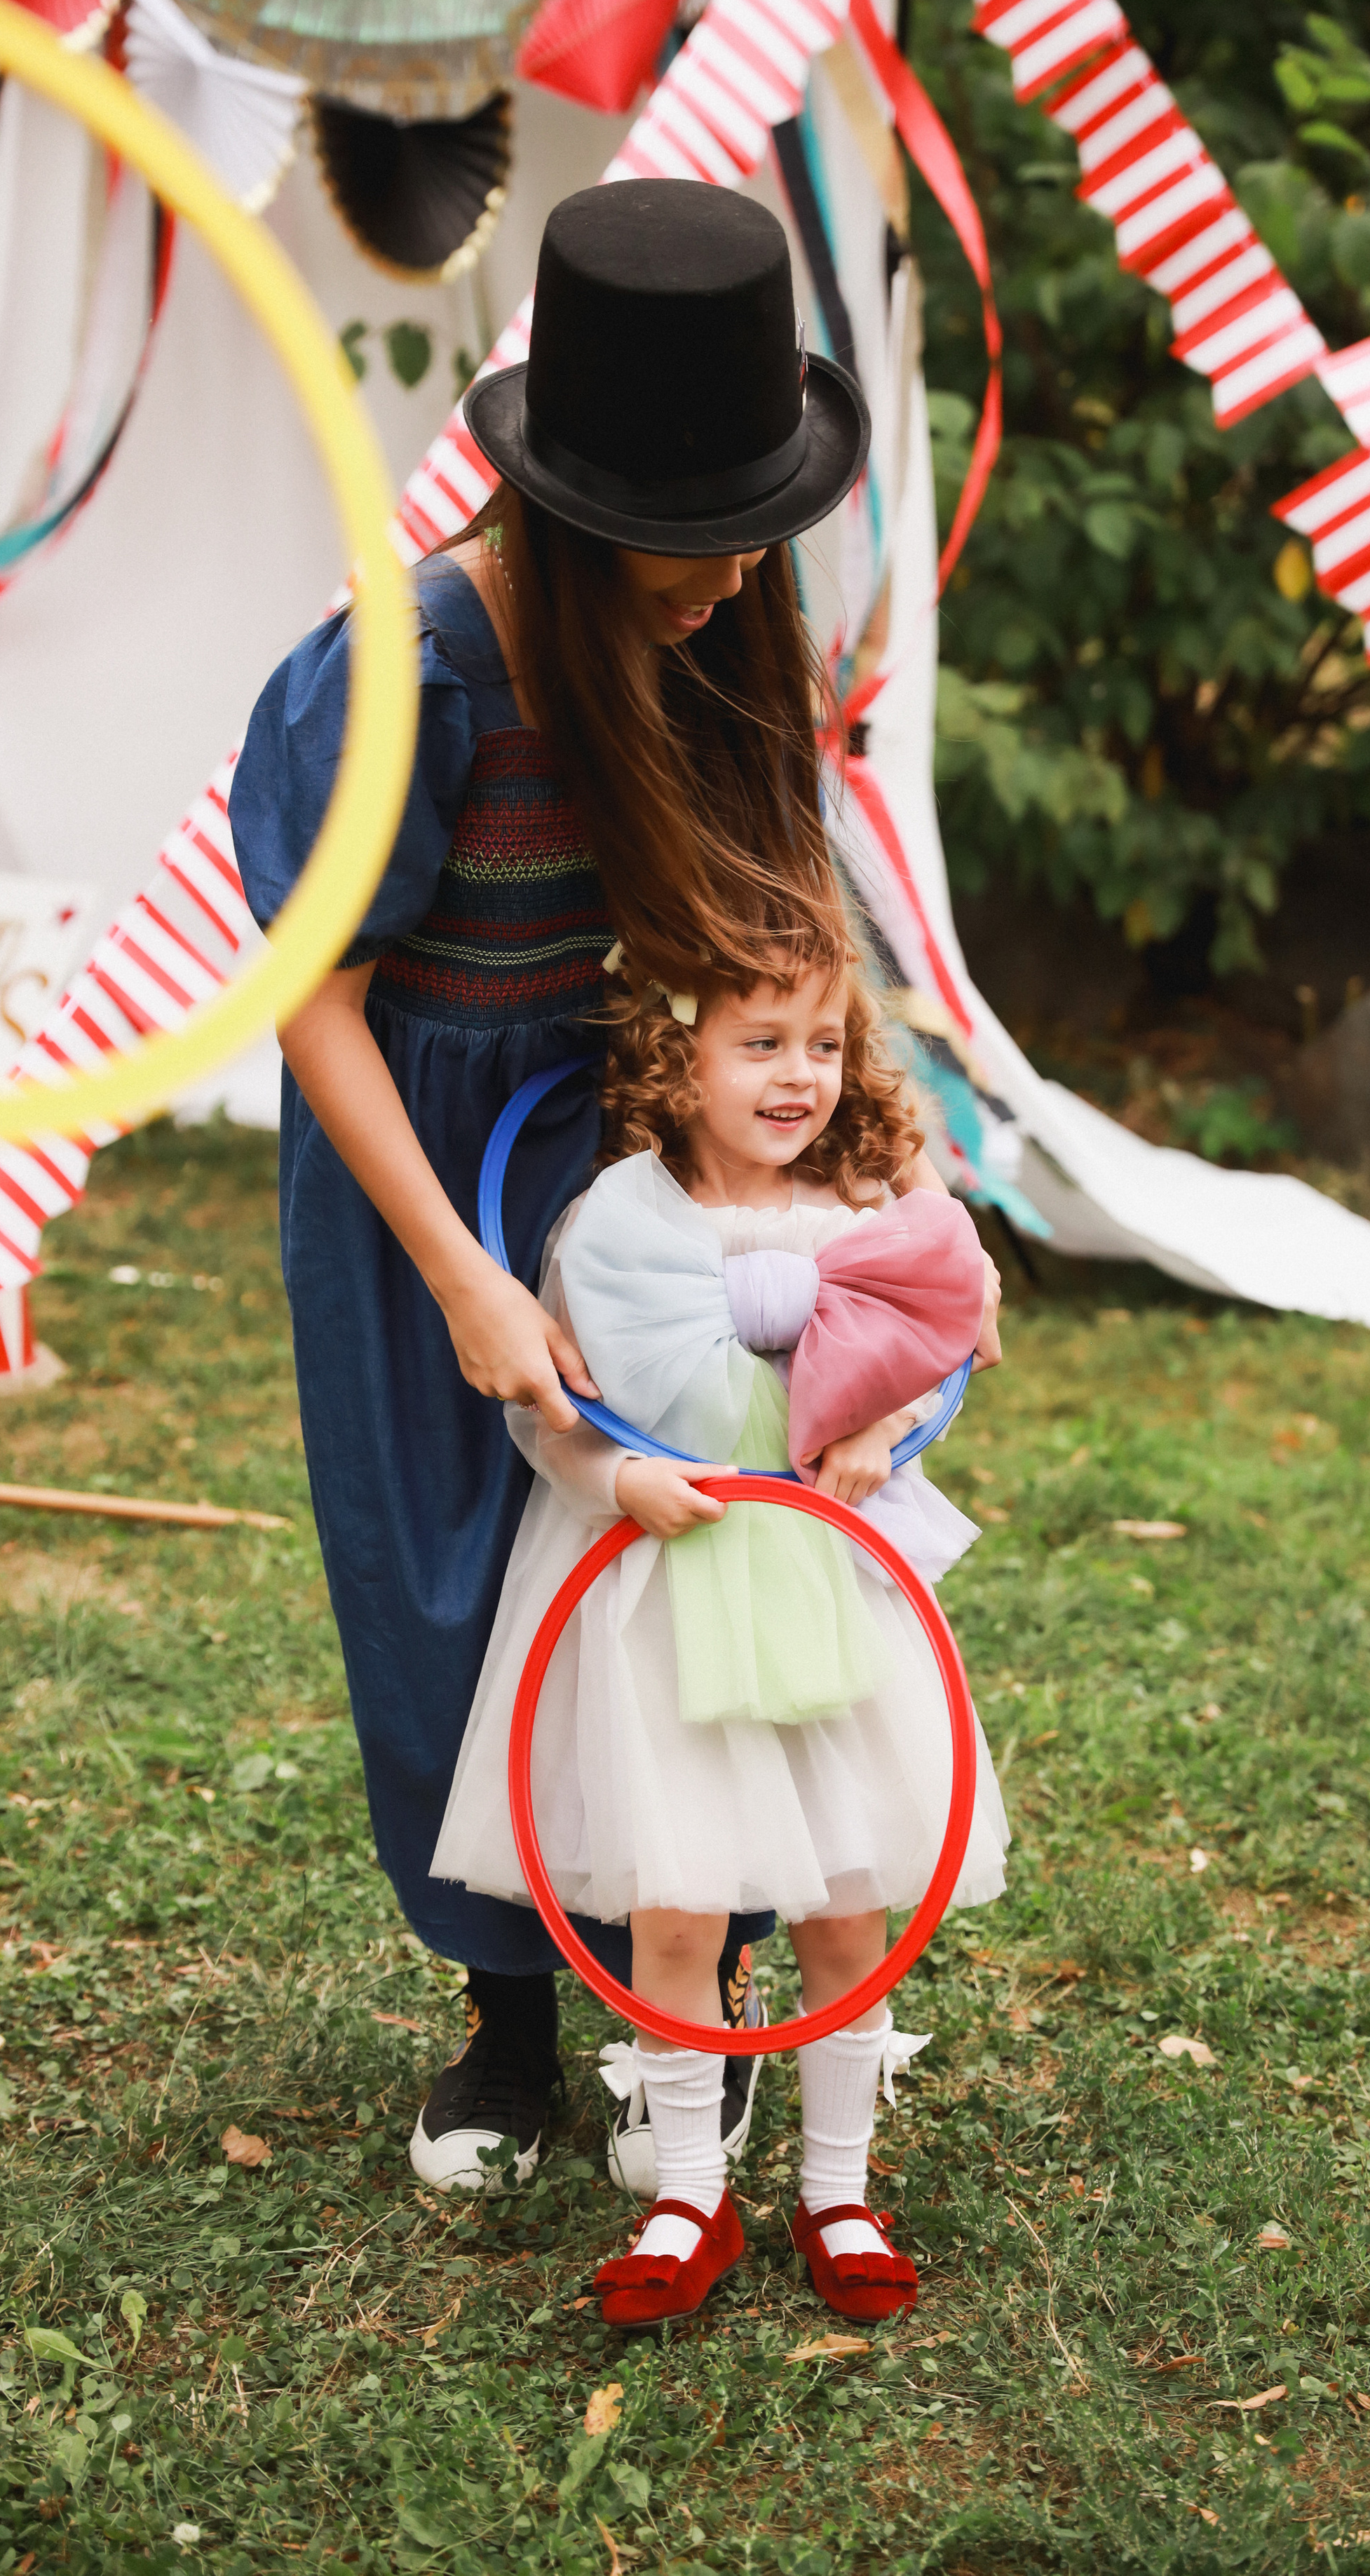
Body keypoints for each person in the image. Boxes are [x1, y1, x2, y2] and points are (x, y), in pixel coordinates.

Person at [229, 175, 945, 2192]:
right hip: (415, 1162)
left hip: (616, 1135)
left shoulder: (711, 641)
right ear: (577, 506)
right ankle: (507, 2019)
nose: (735, 574)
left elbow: (766, 950)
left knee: (667, 1561)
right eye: (699, 535)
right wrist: (464, 1275)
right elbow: (313, 1002)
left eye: (756, 525)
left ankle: (677, 1980)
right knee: (445, 1576)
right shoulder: (412, 666)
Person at [430, 938, 1012, 2327]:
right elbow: (545, 1402)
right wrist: (616, 1478)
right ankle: (686, 2191)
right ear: (676, 1058)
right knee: (676, 1901)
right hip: (657, 1595)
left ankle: (835, 2187)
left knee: (846, 1903)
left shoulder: (870, 1204)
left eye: (820, 1046)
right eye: (760, 1045)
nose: (796, 1076)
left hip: (827, 1586)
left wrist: (882, 1429)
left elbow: (937, 1341)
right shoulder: (612, 1219)